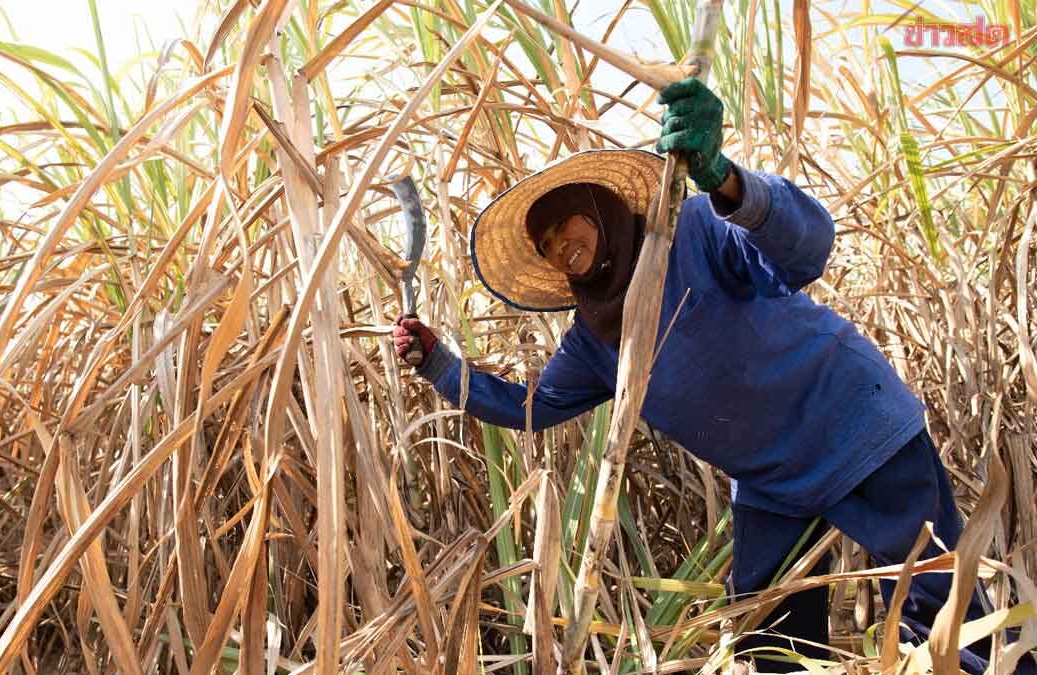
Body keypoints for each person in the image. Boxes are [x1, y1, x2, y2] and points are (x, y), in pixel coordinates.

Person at [392, 78, 1035, 674]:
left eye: (567, 227)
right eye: (549, 247)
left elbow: (807, 247)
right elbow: (528, 406)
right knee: (766, 631)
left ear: (601, 207)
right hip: (774, 483)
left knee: (949, 614)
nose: (563, 249)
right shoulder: (594, 341)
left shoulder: (693, 230)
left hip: (856, 429)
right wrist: (441, 365)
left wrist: (724, 180)